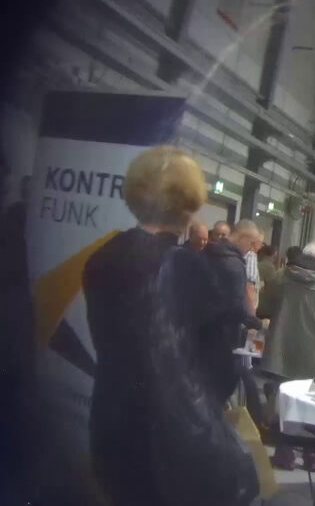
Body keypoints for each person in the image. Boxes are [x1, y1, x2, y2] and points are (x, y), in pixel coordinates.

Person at [83, 146, 257, 506]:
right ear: (188, 205)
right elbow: (218, 366)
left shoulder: (101, 258)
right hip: (170, 438)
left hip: (110, 418)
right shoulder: (188, 268)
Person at [257, 241, 315, 469]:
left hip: (279, 353)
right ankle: (311, 457)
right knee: (311, 407)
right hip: (313, 358)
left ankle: (284, 455)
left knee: (281, 403)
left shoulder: (280, 277)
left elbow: (263, 310)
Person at [203, 219, 263, 402]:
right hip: (222, 335)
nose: (251, 250)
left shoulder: (207, 254)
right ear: (243, 238)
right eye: (251, 244)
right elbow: (237, 306)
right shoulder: (234, 264)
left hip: (202, 330)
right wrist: (258, 323)